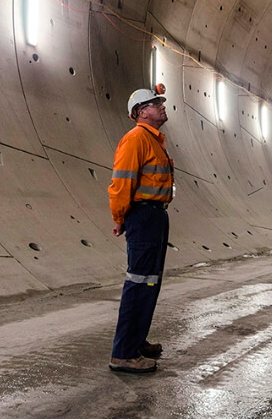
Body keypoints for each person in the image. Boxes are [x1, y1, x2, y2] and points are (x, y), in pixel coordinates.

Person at [108, 85, 174, 374]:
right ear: (140, 112)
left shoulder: (154, 141)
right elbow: (121, 182)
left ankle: (136, 341)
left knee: (150, 282)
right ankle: (123, 353)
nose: (161, 105)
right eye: (154, 103)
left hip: (156, 216)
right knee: (139, 283)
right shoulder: (135, 139)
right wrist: (119, 217)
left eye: (159, 101)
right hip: (143, 216)